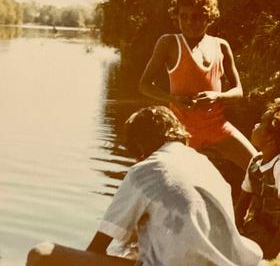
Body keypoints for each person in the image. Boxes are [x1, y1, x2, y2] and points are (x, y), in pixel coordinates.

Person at [27, 106, 263, 266]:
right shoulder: (205, 164)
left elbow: (98, 247)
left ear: (140, 146)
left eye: (133, 151)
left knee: (42, 254)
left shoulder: (145, 171)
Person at [139, 0, 256, 172]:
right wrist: (173, 99)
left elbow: (238, 91)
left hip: (217, 127)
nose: (189, 22)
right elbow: (144, 86)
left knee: (258, 168)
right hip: (182, 132)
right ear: (176, 17)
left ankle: (263, 200)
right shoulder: (168, 43)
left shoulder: (221, 46)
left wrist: (217, 97)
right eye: (183, 16)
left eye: (196, 17)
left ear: (209, 17)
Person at [235, 98, 280, 259]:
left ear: (271, 139)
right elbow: (243, 201)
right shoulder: (256, 162)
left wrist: (271, 252)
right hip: (258, 227)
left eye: (261, 124)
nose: (256, 125)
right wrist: (235, 229)